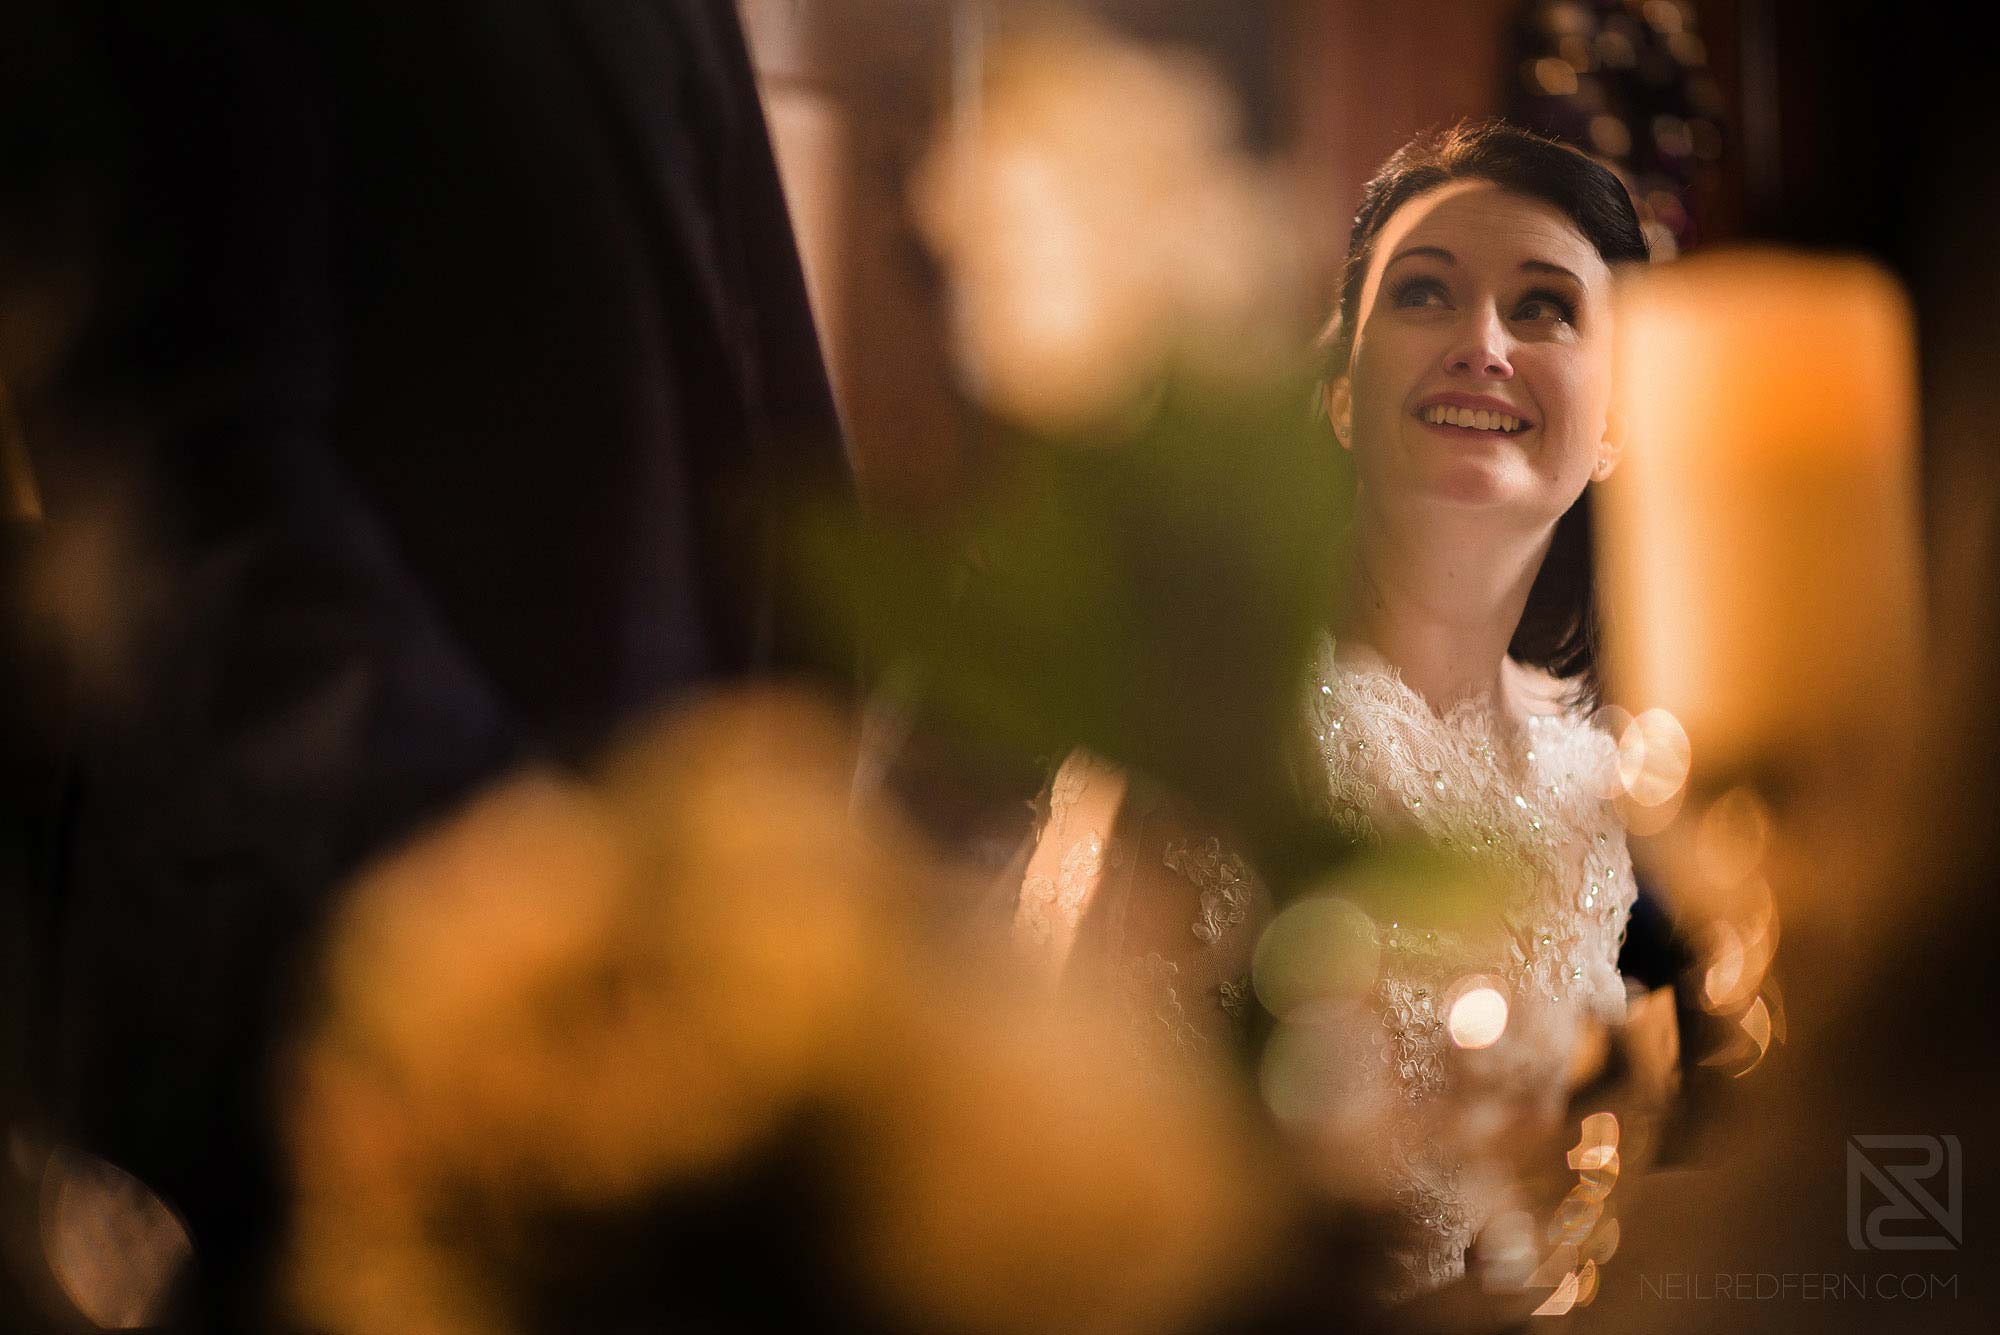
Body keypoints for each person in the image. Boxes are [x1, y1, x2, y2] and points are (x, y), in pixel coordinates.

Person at [0, 2, 843, 1328]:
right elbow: (181, 498)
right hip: (342, 1015)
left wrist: (832, 819)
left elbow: (759, 395)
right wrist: (538, 913)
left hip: (689, 996)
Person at [1015, 119, 1650, 1299]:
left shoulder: (1596, 783)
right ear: (1340, 394)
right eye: (1423, 294)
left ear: (1617, 420)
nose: (1481, 345)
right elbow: (1046, 1161)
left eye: (1545, 307)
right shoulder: (1206, 728)